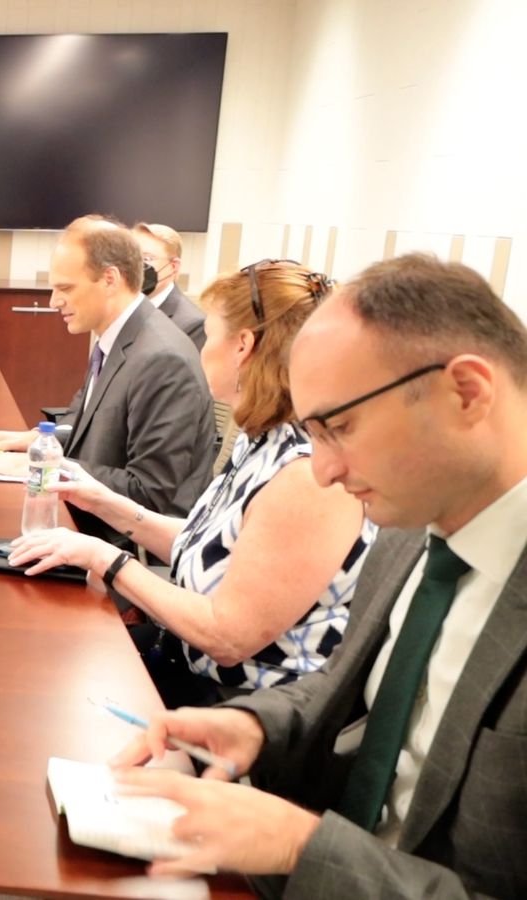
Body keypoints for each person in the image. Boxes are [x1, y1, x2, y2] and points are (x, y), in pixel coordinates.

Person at [111, 254, 527, 897]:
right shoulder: (412, 520)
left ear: (466, 393)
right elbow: (349, 685)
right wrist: (257, 726)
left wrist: (302, 846)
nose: (325, 471)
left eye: (340, 428)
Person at [8, 261, 376, 707]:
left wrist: (104, 558)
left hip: (242, 706)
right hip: (186, 662)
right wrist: (105, 502)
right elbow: (215, 548)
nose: (198, 346)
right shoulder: (265, 436)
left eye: (208, 333)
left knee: (49, 682)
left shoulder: (307, 477)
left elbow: (227, 636)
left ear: (243, 346)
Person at [0, 215, 215, 545]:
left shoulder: (162, 359)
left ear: (110, 279)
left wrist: (42, 467)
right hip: (88, 522)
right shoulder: (119, 338)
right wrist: (37, 440)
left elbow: (148, 492)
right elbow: (89, 428)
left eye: (65, 288)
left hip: (127, 544)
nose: (54, 301)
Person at [134, 222, 206, 349]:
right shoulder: (122, 306)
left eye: (146, 259)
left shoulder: (193, 324)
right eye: (132, 256)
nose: (135, 265)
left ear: (173, 267)